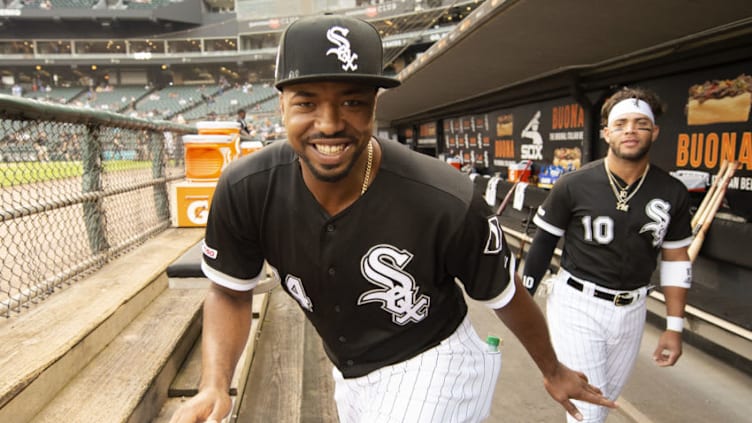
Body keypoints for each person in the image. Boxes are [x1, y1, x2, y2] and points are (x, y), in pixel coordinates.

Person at [170, 14, 614, 423]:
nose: (329, 124)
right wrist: (213, 383)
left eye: (352, 102)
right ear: (281, 105)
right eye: (307, 102)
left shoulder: (445, 197)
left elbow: (503, 292)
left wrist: (553, 369)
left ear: (374, 106)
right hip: (350, 374)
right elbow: (229, 292)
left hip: (436, 362)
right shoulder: (246, 187)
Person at [521, 87, 693, 423]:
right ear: (607, 132)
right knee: (589, 409)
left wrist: (674, 326)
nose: (630, 130)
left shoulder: (672, 191)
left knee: (604, 403)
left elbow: (676, 260)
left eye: (641, 123)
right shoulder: (573, 184)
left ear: (655, 131)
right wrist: (523, 299)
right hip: (578, 303)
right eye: (621, 123)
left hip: (632, 309)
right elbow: (543, 245)